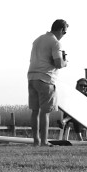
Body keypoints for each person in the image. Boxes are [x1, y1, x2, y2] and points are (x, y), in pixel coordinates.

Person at [27, 19, 68, 147]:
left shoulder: (38, 40)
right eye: (64, 33)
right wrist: (65, 62)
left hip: (32, 76)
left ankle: (36, 141)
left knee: (35, 111)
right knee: (45, 112)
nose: (63, 36)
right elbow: (58, 63)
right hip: (46, 78)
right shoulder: (55, 43)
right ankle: (44, 141)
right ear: (61, 30)